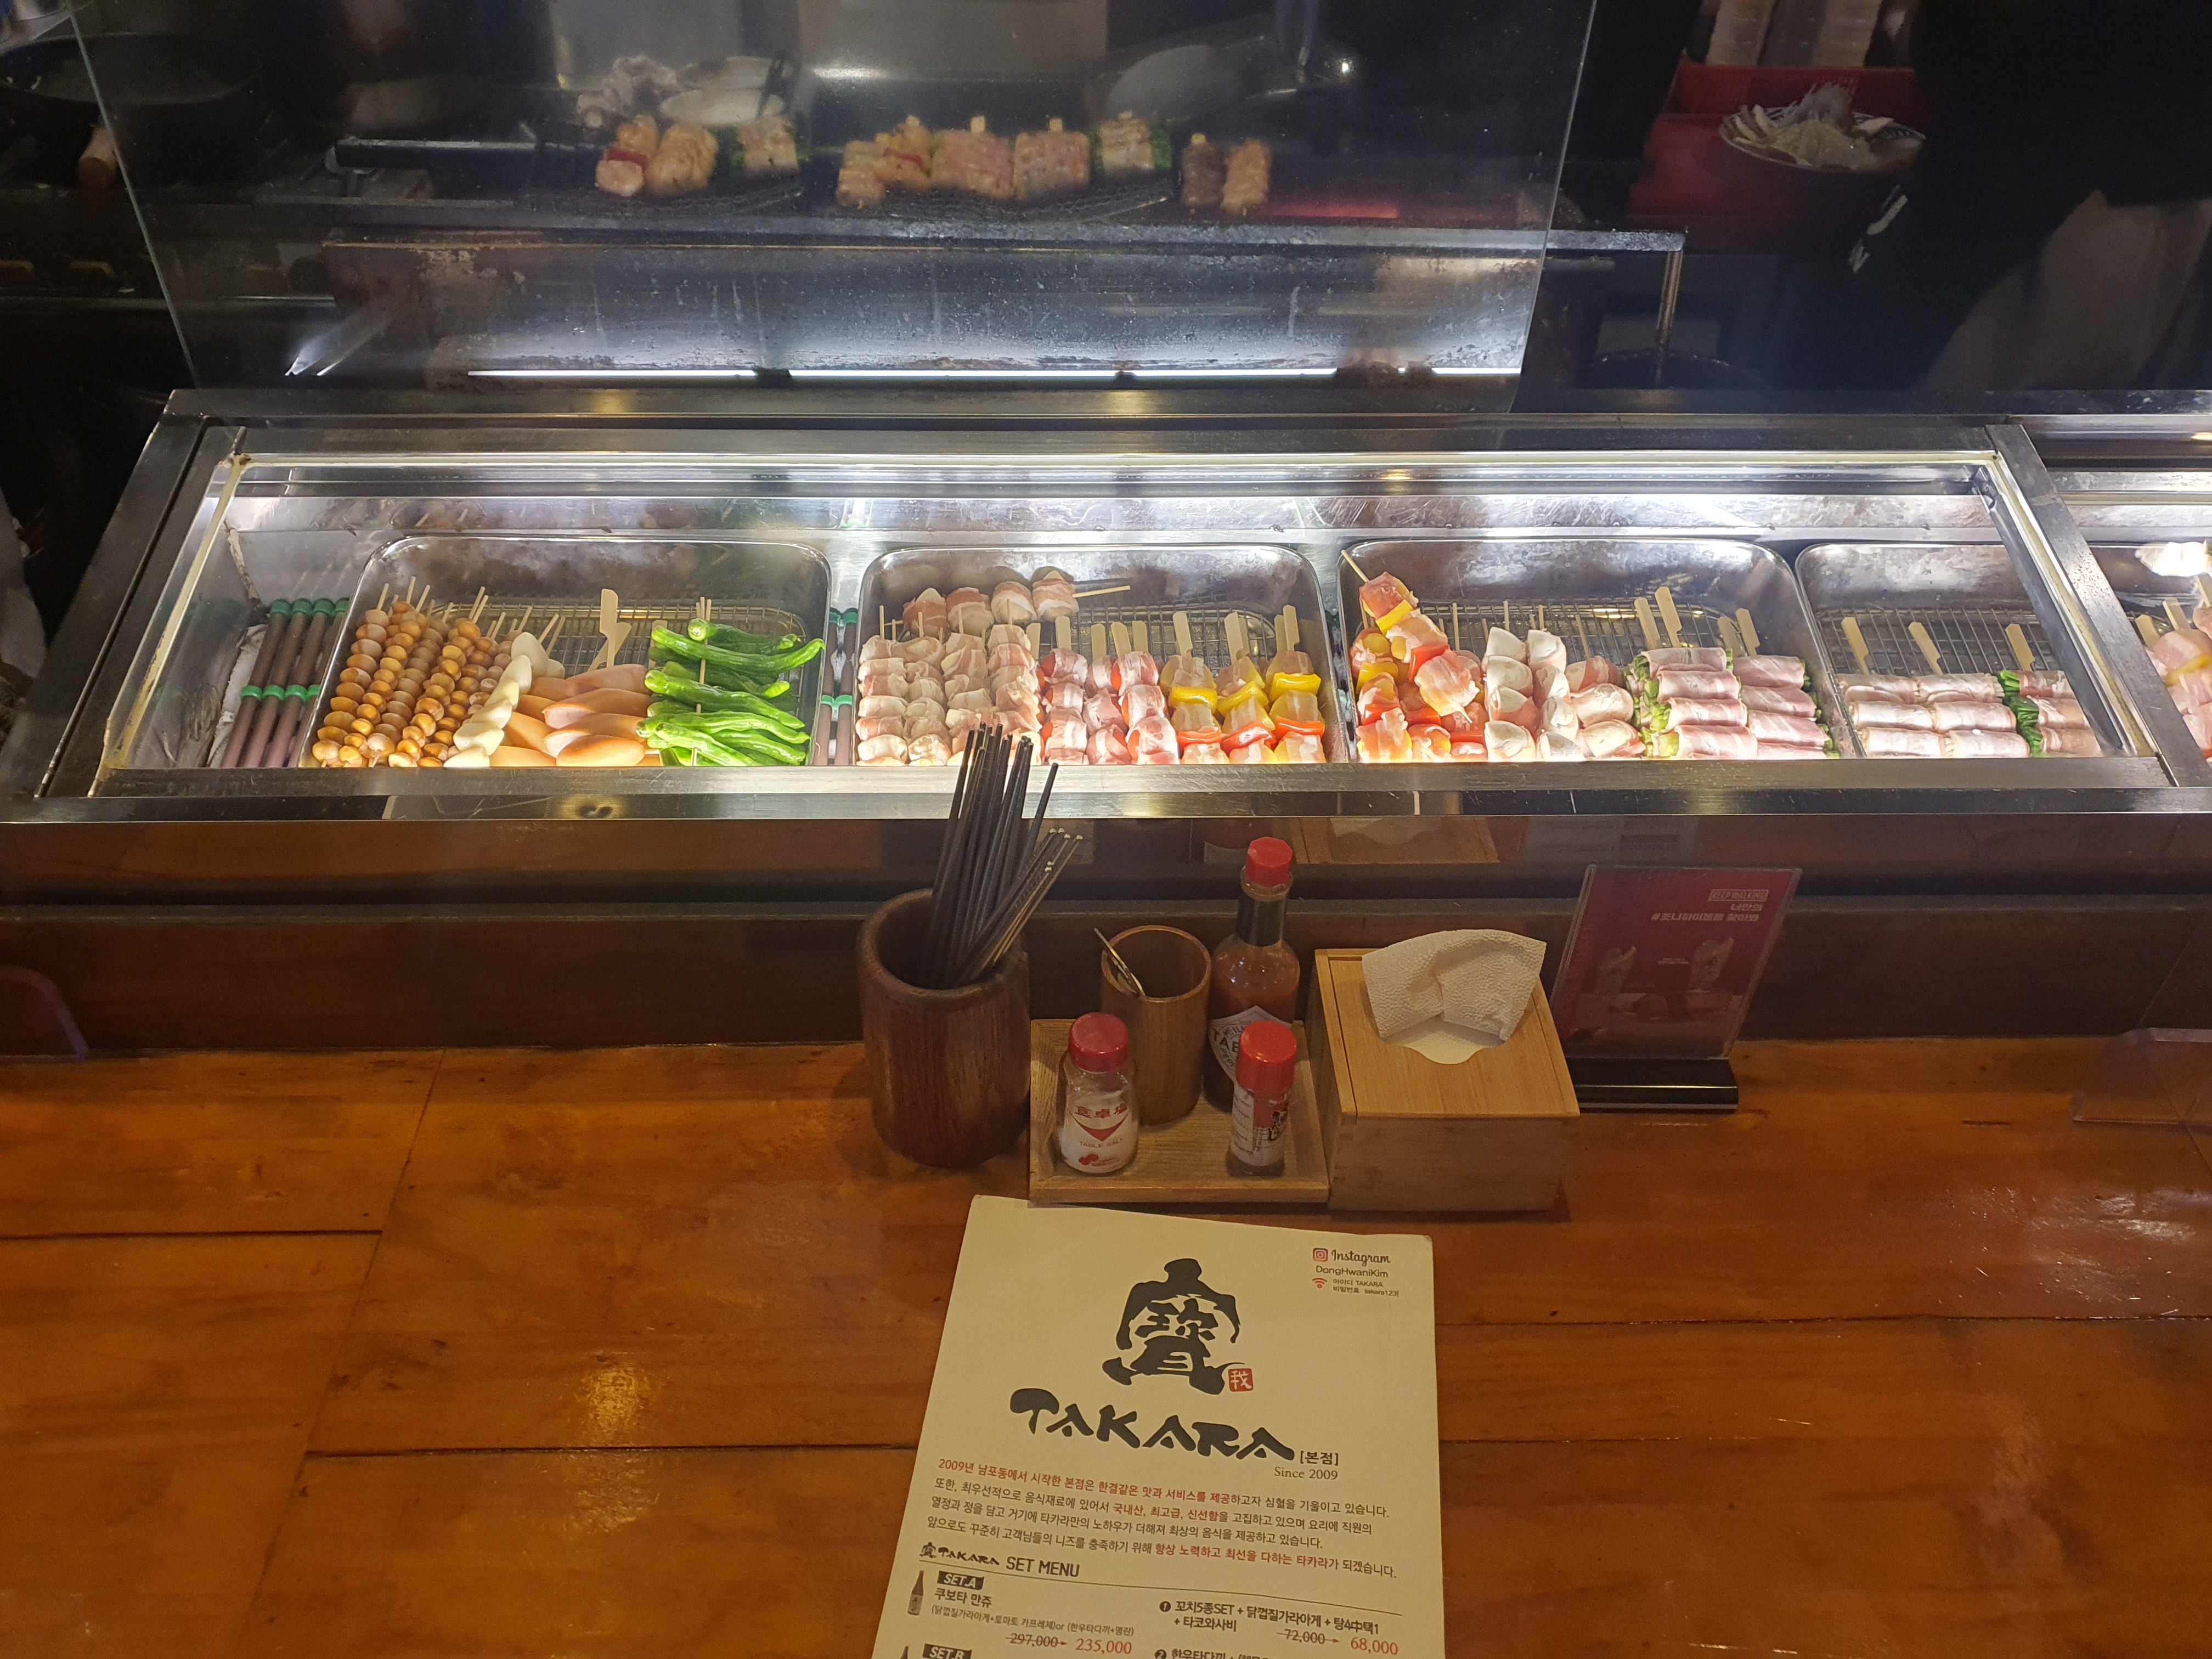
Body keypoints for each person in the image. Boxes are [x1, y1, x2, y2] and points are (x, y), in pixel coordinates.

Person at [1810, 0, 2212, 391]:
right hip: (2157, 186)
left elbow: (1953, 37)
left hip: (2046, 197)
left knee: (1944, 413)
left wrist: (1920, 23)